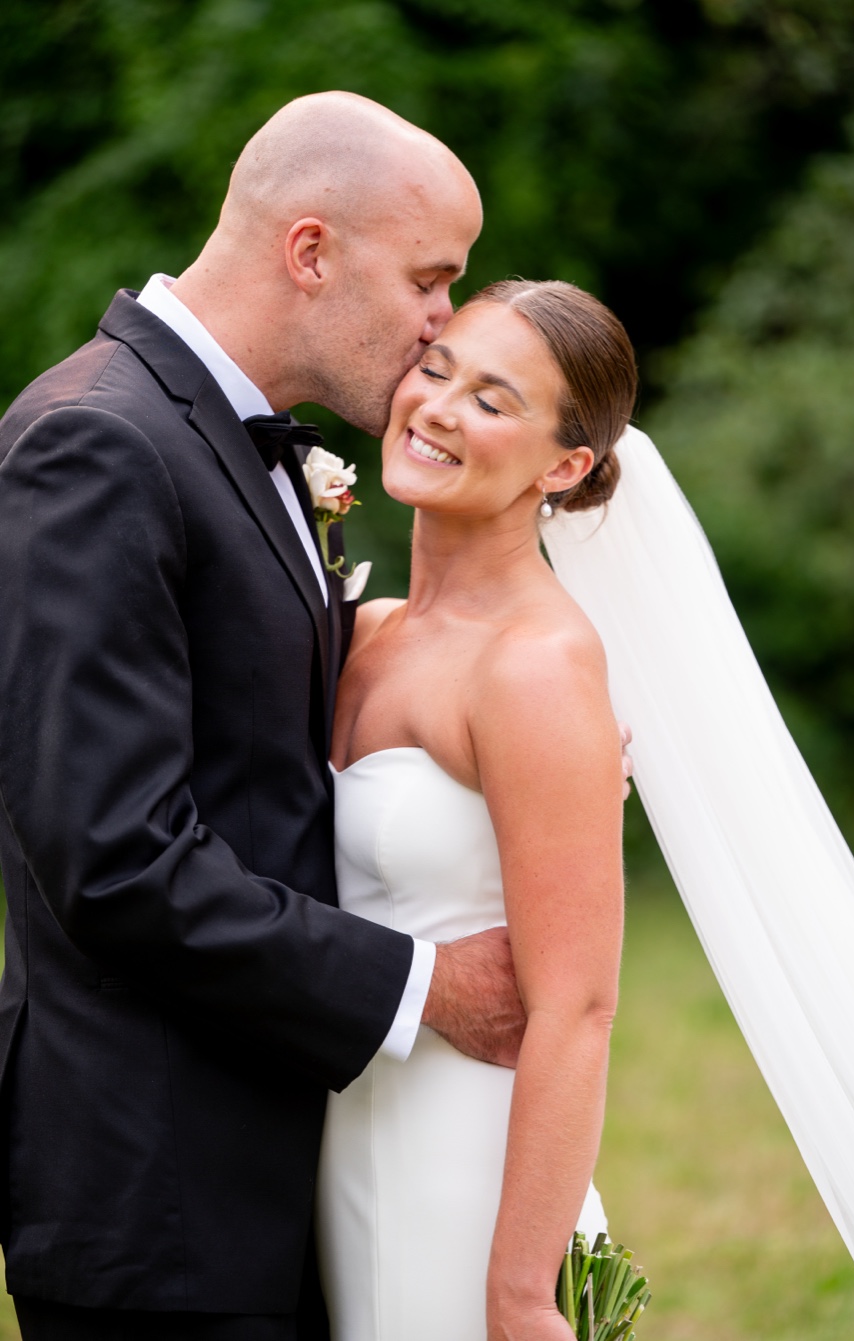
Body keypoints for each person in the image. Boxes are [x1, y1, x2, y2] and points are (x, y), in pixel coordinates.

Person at [0, 93, 529, 1339]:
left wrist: (490, 703)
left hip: (275, 1166)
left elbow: (241, 692)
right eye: (430, 280)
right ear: (310, 253)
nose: (443, 324)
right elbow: (117, 859)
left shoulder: (222, 437)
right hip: (162, 1200)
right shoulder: (96, 442)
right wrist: (423, 985)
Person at [315, 280, 630, 1340]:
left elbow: (578, 1010)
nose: (440, 408)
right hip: (334, 1138)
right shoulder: (359, 629)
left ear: (565, 466)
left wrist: (518, 1292)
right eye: (438, 369)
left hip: (459, 1163)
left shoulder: (537, 664)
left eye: (495, 401)